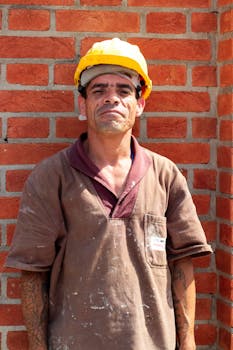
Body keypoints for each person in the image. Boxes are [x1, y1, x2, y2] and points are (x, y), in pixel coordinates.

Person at [6, 38, 212, 350]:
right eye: (99, 90)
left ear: (140, 104)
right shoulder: (51, 177)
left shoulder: (165, 176)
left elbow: (183, 263)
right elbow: (33, 274)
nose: (111, 98)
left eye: (124, 90)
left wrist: (188, 343)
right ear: (82, 104)